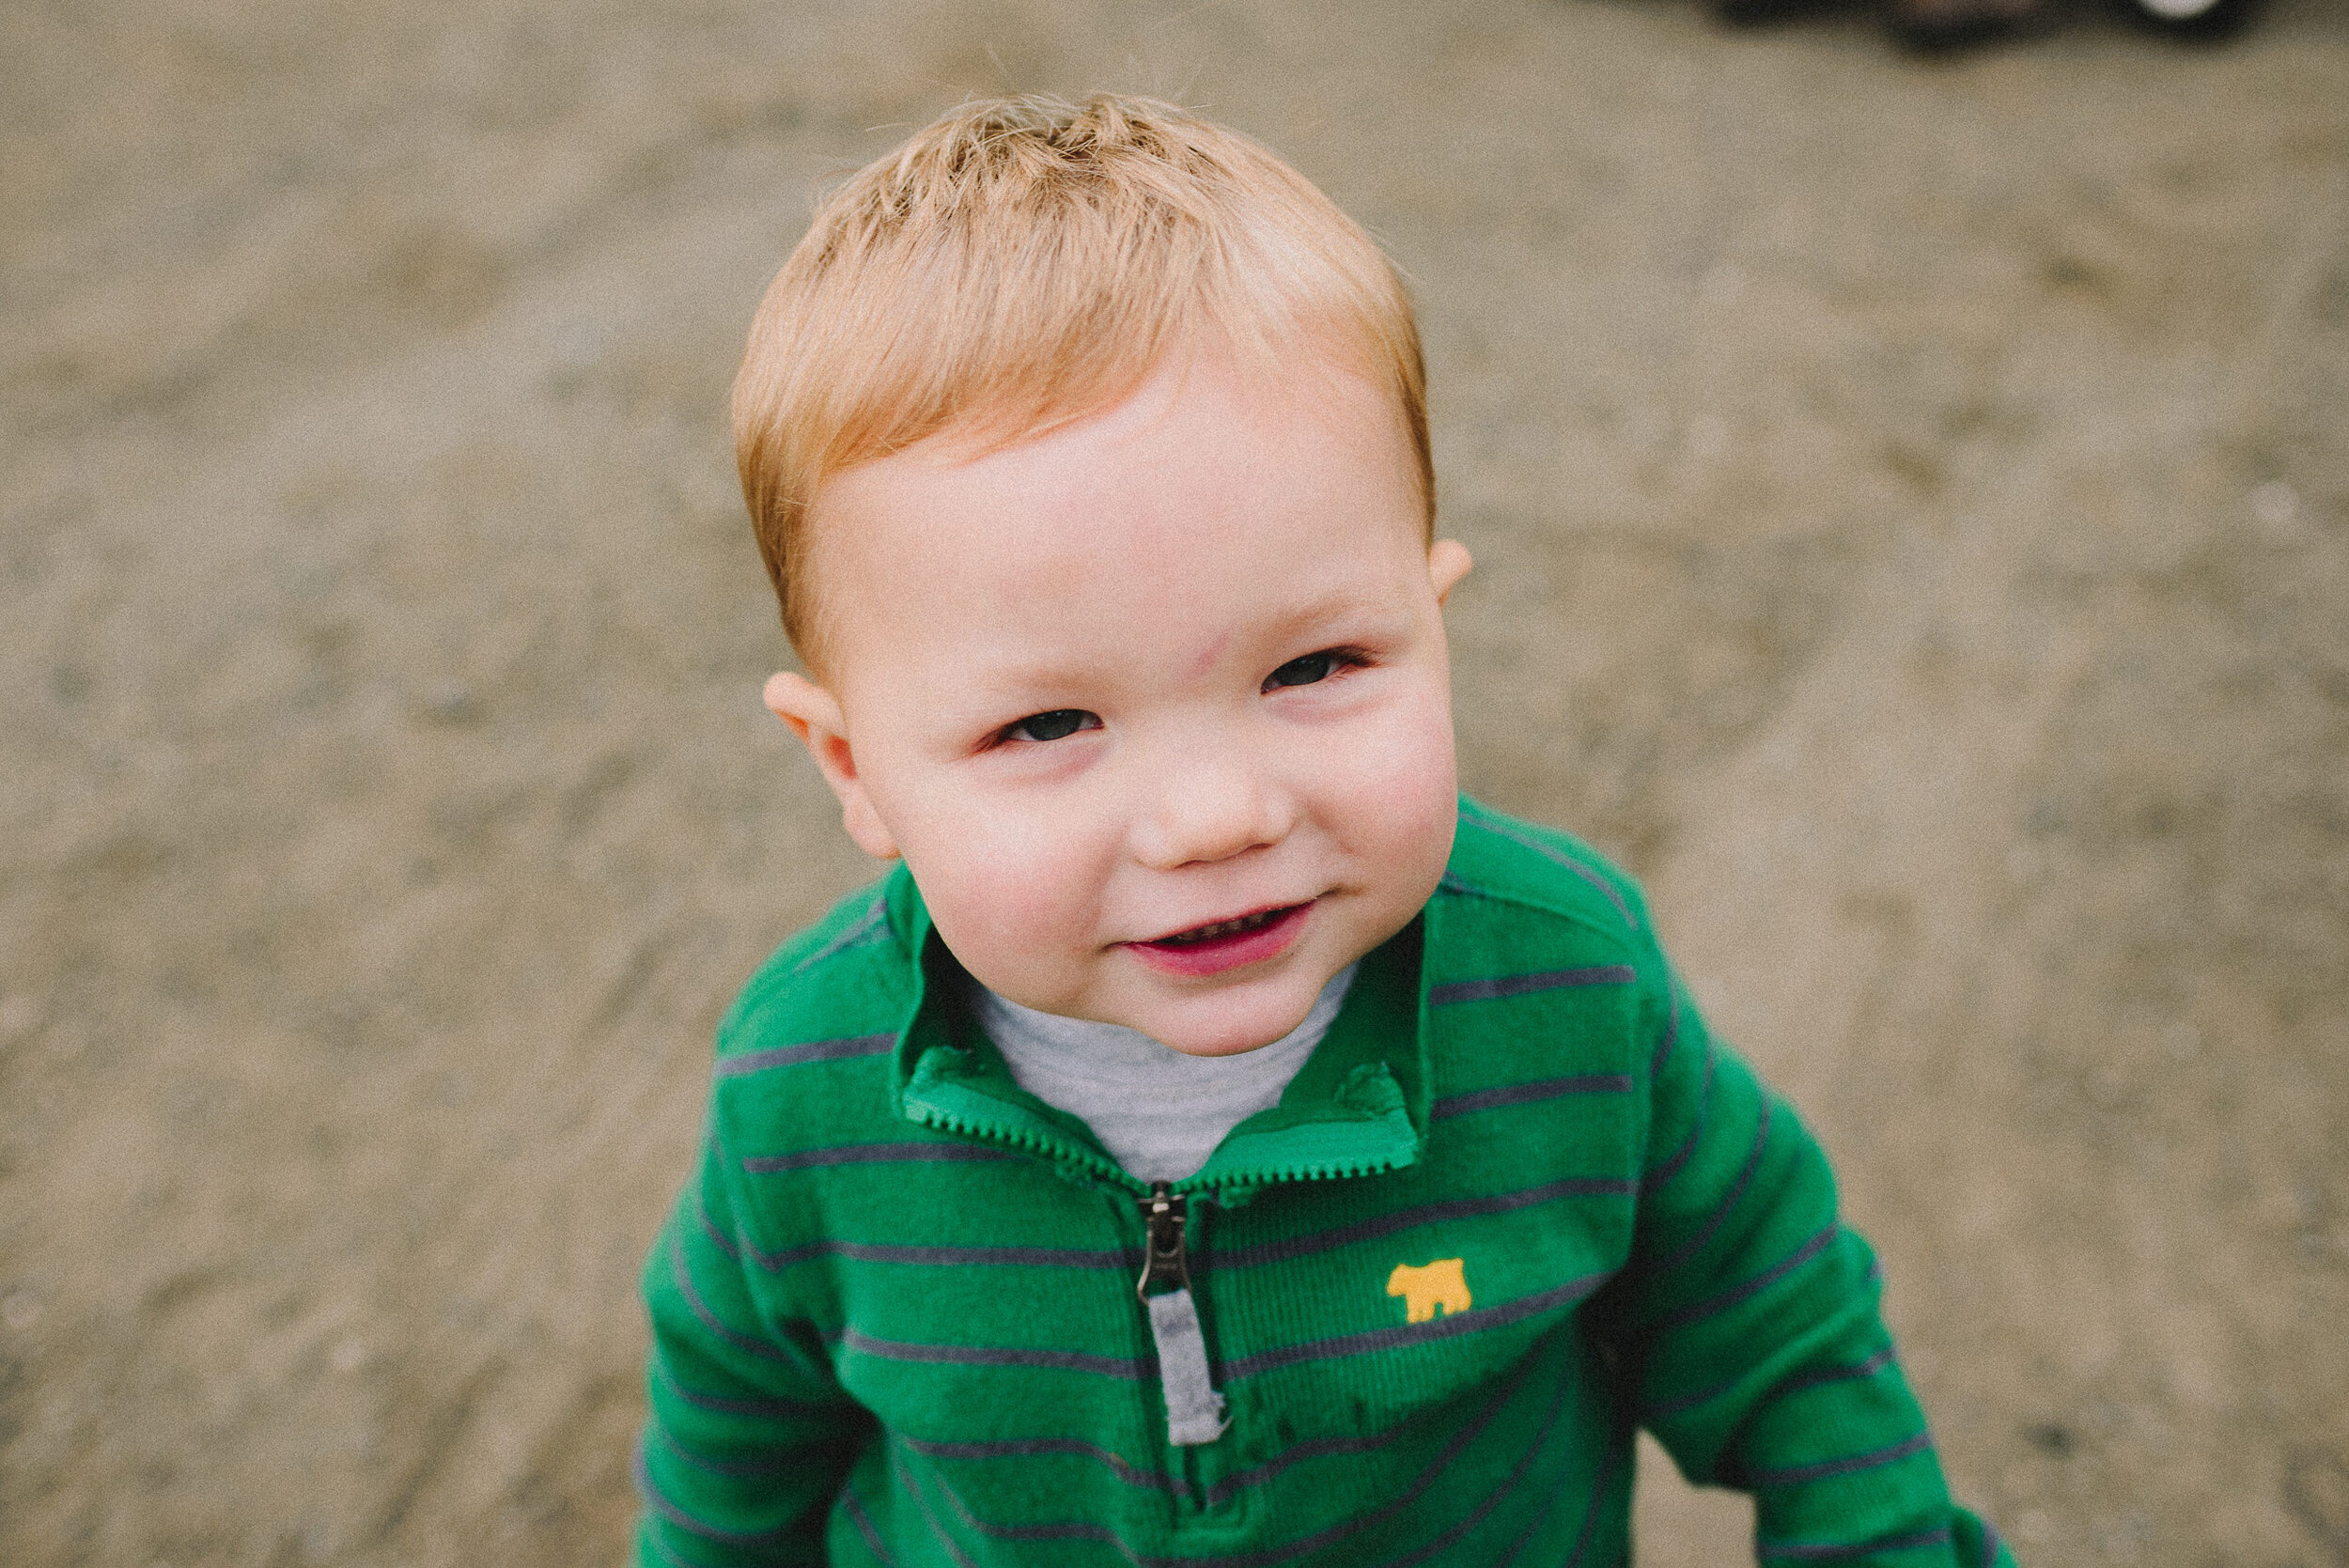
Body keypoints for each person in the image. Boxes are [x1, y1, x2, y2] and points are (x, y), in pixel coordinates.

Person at [634, 92, 2017, 1567]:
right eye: (1048, 726)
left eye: (1314, 668)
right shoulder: (805, 1088)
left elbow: (1781, 1328)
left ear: (1434, 620)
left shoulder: (1565, 990)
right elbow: (734, 1449)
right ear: (854, 767)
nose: (1218, 816)